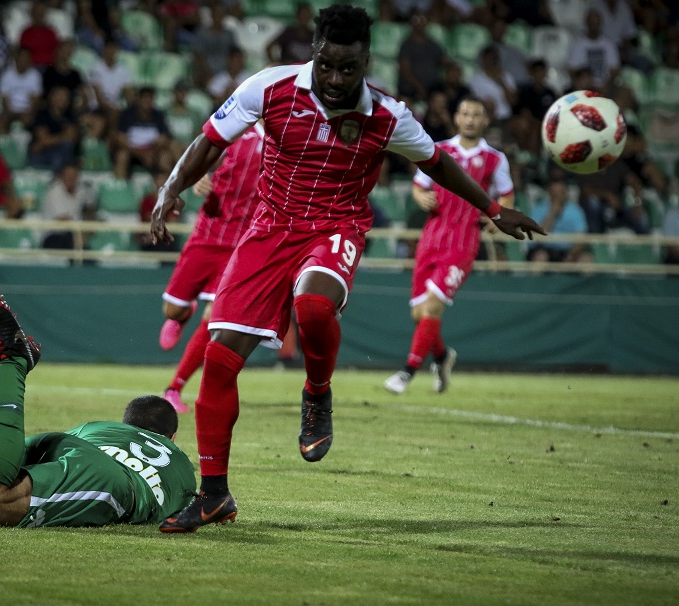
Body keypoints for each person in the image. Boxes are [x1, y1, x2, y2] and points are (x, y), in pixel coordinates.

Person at [150, 5, 544, 532]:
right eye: (327, 65)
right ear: (314, 52)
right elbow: (209, 142)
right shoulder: (268, 87)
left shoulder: (387, 115)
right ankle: (214, 494)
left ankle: (317, 392)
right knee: (220, 361)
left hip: (337, 226)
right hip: (268, 229)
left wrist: (494, 210)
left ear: (365, 62)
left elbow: (438, 163)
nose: (335, 79)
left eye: (348, 68)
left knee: (313, 305)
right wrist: (170, 189)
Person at [0, 281, 196, 528]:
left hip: (65, 444)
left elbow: (65, 457)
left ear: (126, 424)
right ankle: (14, 360)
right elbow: (192, 505)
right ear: (170, 439)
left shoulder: (102, 428)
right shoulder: (181, 466)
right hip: (114, 483)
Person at [383, 96, 515, 395]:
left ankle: (407, 371)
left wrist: (499, 216)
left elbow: (506, 195)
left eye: (476, 114)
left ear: (485, 121)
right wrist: (420, 197)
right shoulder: (439, 149)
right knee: (420, 315)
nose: (470, 119)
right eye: (465, 113)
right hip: (431, 237)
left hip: (463, 241)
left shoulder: (495, 158)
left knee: (432, 307)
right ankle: (442, 358)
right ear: (456, 118)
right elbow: (420, 185)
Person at [159, 123, 265, 414]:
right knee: (172, 309)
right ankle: (182, 315)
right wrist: (198, 179)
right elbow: (201, 157)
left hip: (240, 246)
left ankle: (174, 387)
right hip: (207, 236)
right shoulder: (237, 132)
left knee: (214, 319)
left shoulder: (287, 143)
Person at [526, 178, 592, 265]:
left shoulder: (575, 211)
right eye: (554, 192)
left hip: (568, 251)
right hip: (544, 249)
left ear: (565, 192)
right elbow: (539, 238)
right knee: (540, 257)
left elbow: (581, 238)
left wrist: (571, 255)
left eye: (560, 192)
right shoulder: (538, 209)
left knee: (586, 259)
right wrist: (552, 213)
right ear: (549, 193)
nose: (557, 195)